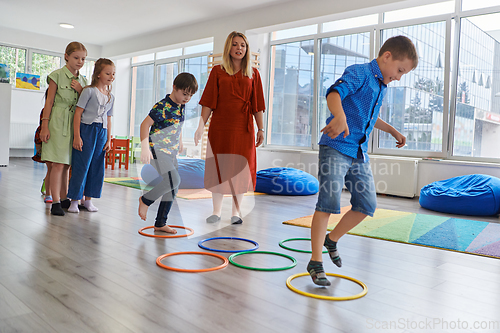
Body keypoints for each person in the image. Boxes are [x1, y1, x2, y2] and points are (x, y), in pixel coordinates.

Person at [307, 35, 418, 286]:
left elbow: (369, 115)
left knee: (367, 204)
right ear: (387, 56)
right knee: (328, 202)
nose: (399, 77)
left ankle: (332, 240)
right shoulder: (359, 73)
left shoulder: (381, 85)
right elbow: (334, 93)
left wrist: (392, 130)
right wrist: (339, 117)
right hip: (336, 146)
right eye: (399, 70)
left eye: (404, 74)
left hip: (359, 153)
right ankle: (315, 261)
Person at [194, 31, 265, 225]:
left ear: (247, 49)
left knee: (241, 169)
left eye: (242, 45)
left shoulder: (253, 73)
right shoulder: (217, 71)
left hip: (244, 128)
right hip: (220, 127)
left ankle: (236, 212)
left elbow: (258, 105)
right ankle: (216, 212)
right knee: (219, 167)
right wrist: (201, 126)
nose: (239, 48)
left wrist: (261, 129)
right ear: (229, 48)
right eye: (235, 44)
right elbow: (208, 102)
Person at [138, 72, 198, 233]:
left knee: (173, 187)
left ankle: (160, 223)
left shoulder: (181, 105)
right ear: (174, 87)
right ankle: (145, 200)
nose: (187, 98)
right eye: (184, 94)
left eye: (190, 96)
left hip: (171, 151)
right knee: (173, 180)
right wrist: (144, 147)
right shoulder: (162, 106)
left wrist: (179, 141)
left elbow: (176, 125)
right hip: (157, 150)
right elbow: (145, 125)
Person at [40, 41, 87, 216]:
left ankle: (65, 198)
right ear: (66, 56)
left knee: (67, 164)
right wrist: (45, 126)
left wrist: (82, 90)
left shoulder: (83, 80)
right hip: (58, 121)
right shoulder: (56, 76)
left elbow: (87, 103)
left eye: (83, 58)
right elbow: (49, 102)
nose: (80, 61)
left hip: (75, 123)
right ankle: (56, 202)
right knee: (57, 164)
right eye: (76, 57)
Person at [66, 58, 116, 213]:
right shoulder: (88, 91)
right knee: (81, 166)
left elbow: (108, 118)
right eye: (108, 73)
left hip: (101, 132)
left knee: (96, 167)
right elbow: (78, 113)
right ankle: (74, 200)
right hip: (86, 130)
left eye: (113, 74)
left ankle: (88, 200)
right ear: (98, 74)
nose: (111, 76)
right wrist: (77, 136)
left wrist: (108, 139)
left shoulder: (110, 97)